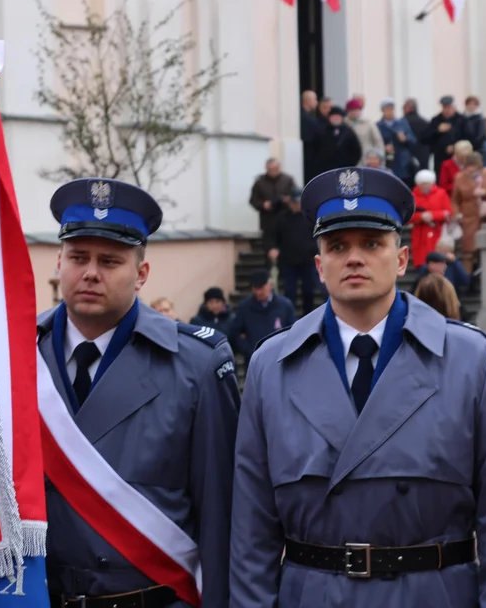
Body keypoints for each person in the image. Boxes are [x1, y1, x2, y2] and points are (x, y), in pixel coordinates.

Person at [229, 165, 486, 607]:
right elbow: (251, 529)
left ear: (402, 258)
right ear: (319, 266)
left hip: (433, 594)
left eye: (372, 244)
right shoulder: (271, 367)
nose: (354, 258)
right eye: (337, 246)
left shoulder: (470, 361)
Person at [38, 177, 240, 606]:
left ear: (142, 273)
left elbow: (221, 517)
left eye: (110, 261)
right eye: (78, 257)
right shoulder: (14, 355)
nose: (91, 273)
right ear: (58, 263)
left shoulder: (195, 364)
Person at [268, 188, 320, 316]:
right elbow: (273, 236)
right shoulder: (281, 218)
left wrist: (314, 248)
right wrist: (273, 248)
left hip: (308, 260)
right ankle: (288, 318)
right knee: (289, 291)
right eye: (294, 202)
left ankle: (308, 316)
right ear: (290, 203)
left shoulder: (310, 217)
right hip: (288, 261)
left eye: (298, 202)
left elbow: (318, 236)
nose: (296, 205)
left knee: (309, 291)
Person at [230, 269, 297, 360]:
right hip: (254, 359)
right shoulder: (244, 307)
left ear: (270, 285)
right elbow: (236, 332)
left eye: (261, 288)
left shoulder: (285, 305)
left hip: (280, 359)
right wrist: (248, 350)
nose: (258, 292)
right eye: (255, 288)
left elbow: (294, 330)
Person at [451, 152, 486, 272]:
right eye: (468, 167)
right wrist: (457, 214)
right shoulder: (459, 178)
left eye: (474, 167)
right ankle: (467, 279)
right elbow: (455, 200)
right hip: (468, 217)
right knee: (468, 250)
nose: (471, 170)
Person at [250, 158, 296, 254]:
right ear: (266, 169)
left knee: (287, 247)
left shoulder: (288, 180)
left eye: (276, 169)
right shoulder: (259, 182)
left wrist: (288, 200)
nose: (274, 172)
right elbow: (253, 201)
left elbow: (295, 195)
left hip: (286, 218)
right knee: (269, 249)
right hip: (268, 220)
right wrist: (263, 205)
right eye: (271, 169)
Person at [408, 169, 453, 267]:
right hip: (420, 235)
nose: (424, 186)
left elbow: (448, 212)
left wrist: (432, 215)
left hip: (437, 232)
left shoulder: (441, 193)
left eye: (427, 183)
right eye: (422, 184)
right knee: (422, 264)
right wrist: (421, 217)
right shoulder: (412, 196)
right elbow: (407, 215)